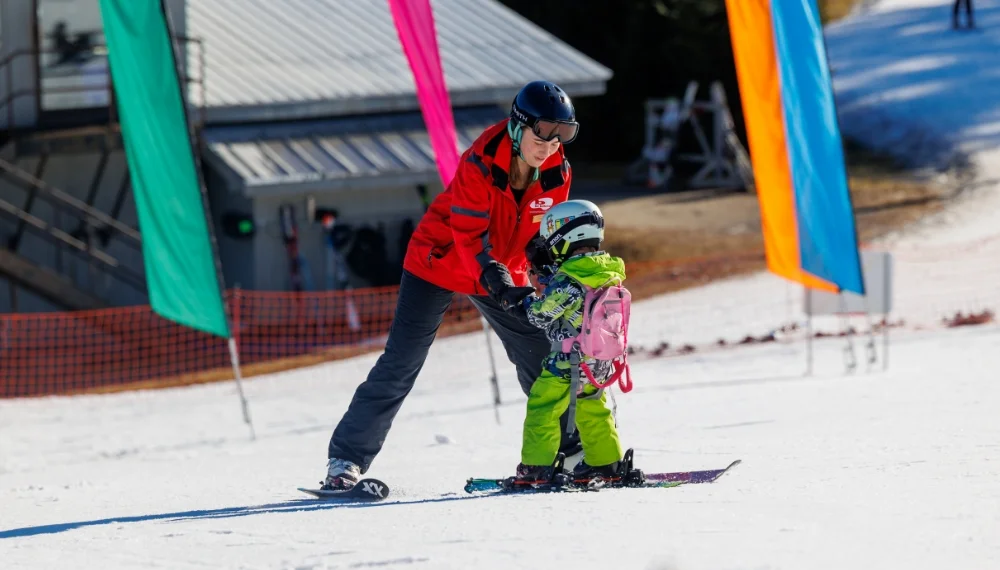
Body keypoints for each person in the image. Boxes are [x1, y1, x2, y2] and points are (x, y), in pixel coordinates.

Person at [322, 80, 583, 490]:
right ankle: (345, 461)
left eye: (562, 135)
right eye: (543, 133)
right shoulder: (480, 162)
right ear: (519, 126)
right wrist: (501, 282)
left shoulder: (557, 173)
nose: (550, 145)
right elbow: (468, 235)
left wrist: (545, 272)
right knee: (401, 362)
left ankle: (569, 451)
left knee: (541, 352)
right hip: (439, 261)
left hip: (499, 271)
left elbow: (539, 235)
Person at [511, 199, 629, 482]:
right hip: (599, 362)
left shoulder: (569, 280)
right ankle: (606, 465)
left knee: (543, 408)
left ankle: (536, 468)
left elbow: (542, 315)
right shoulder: (608, 272)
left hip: (567, 361)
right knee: (593, 410)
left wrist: (524, 300)